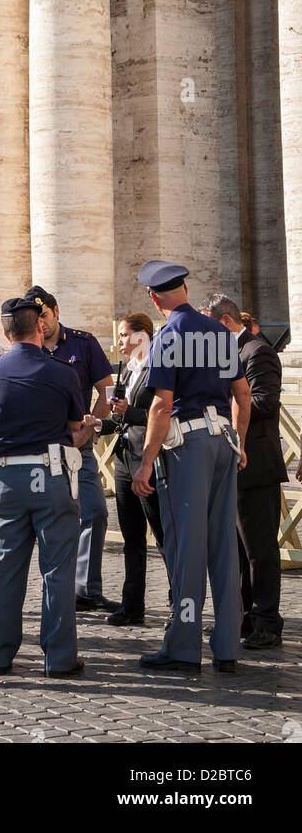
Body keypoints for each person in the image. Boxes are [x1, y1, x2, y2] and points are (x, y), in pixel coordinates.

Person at [132, 261, 251, 674]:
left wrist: (146, 461)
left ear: (154, 297)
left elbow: (162, 405)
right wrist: (240, 440)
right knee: (223, 548)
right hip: (223, 442)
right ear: (184, 287)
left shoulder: (168, 335)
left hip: (189, 445)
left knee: (186, 546)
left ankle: (183, 645)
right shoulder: (220, 331)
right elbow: (243, 393)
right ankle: (227, 646)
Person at [0, 295, 87, 677]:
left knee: (4, 565)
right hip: (51, 474)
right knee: (57, 570)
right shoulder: (62, 372)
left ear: (6, 331)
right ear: (40, 326)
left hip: (6, 478)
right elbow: (75, 430)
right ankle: (58, 659)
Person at [201, 292, 286, 649]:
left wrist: (223, 402)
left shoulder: (256, 351)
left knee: (259, 548)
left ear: (223, 322)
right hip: (228, 461)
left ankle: (268, 620)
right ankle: (244, 616)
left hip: (256, 465)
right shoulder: (220, 354)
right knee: (234, 547)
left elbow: (264, 401)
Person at [28, 285, 118, 612]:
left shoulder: (83, 342)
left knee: (95, 512)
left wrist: (89, 429)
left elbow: (107, 392)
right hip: (41, 450)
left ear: (56, 311)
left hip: (79, 447)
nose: (41, 323)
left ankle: (86, 588)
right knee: (49, 519)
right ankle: (57, 588)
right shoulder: (28, 346)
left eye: (45, 316)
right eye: (35, 319)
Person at [98, 314, 168, 627]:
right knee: (132, 537)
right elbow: (124, 418)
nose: (121, 342)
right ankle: (132, 605)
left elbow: (161, 414)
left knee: (164, 535)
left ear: (143, 336)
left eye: (125, 335)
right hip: (126, 459)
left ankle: (177, 604)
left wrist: (131, 411)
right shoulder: (128, 367)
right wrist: (101, 424)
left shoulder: (157, 366)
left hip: (148, 459)